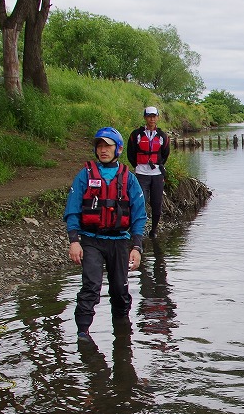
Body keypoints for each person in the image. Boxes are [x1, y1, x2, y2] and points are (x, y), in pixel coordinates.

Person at [65, 127, 147, 340]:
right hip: (91, 240)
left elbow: (139, 215)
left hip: (119, 241)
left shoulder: (128, 178)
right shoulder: (85, 174)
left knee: (120, 290)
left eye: (107, 146)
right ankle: (83, 332)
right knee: (91, 285)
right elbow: (72, 209)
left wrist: (136, 247)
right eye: (99, 146)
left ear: (117, 149)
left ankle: (121, 332)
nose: (103, 150)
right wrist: (74, 241)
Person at [125, 107, 170, 239]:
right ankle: (136, 230)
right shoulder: (136, 135)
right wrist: (138, 166)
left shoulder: (163, 136)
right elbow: (130, 153)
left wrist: (158, 164)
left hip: (157, 174)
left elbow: (165, 153)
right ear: (145, 117)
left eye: (154, 116)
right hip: (141, 174)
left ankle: (153, 230)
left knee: (157, 202)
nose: (152, 119)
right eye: (149, 116)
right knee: (140, 201)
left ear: (158, 117)